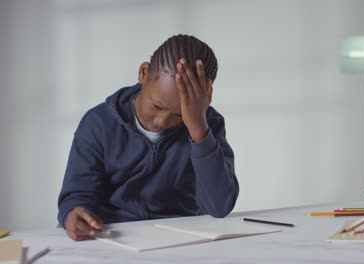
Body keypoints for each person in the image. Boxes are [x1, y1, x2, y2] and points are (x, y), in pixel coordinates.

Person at [57, 34, 239, 241]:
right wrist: (73, 214)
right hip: (113, 236)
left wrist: (198, 129)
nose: (162, 121)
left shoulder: (208, 125)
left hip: (179, 238)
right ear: (143, 73)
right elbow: (77, 195)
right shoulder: (99, 123)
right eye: (158, 106)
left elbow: (219, 206)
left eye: (180, 115)